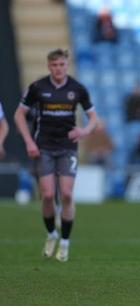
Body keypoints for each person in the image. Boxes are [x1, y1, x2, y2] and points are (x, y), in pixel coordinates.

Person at [14, 49, 98, 262]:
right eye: (54, 65)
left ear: (66, 65)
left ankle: (65, 242)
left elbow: (93, 118)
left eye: (61, 65)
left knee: (67, 195)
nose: (58, 69)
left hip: (67, 147)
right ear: (48, 66)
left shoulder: (77, 89)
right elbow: (19, 114)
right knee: (49, 195)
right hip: (43, 147)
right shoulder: (38, 87)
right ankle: (51, 234)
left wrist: (84, 131)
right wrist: (29, 141)